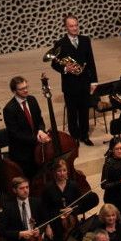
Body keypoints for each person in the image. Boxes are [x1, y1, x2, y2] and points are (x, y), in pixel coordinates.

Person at [50, 15, 98, 145]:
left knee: (84, 111)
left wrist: (94, 81)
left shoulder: (85, 40)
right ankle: (75, 137)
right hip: (70, 84)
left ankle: (84, 135)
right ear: (66, 27)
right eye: (71, 26)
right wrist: (65, 69)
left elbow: (91, 61)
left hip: (84, 82)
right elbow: (54, 64)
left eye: (76, 25)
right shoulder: (60, 43)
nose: (75, 28)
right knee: (72, 113)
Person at [41, 159, 94, 241]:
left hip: (71, 225)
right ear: (54, 172)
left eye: (64, 170)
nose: (62, 173)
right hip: (55, 225)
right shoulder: (48, 188)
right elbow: (44, 209)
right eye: (59, 171)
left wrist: (73, 209)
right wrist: (47, 227)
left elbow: (80, 204)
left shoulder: (73, 185)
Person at [3, 75, 50, 180]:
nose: (25, 90)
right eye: (22, 89)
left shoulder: (32, 100)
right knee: (30, 179)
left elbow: (39, 120)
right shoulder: (9, 109)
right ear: (14, 91)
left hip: (37, 148)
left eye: (26, 87)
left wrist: (41, 130)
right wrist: (36, 139)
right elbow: (15, 134)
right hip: (22, 153)